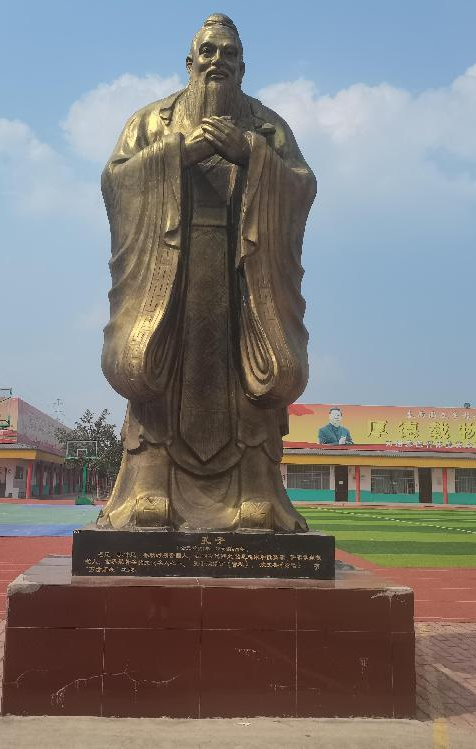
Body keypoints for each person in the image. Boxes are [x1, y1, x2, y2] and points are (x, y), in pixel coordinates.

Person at [97, 14, 316, 532]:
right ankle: (150, 489)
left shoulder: (268, 127)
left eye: (229, 54)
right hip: (169, 276)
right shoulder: (150, 122)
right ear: (190, 61)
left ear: (243, 66)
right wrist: (177, 154)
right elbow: (116, 182)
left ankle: (256, 495)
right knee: (159, 368)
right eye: (209, 51)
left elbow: (301, 186)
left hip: (245, 278)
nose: (218, 61)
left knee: (250, 375)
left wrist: (252, 155)